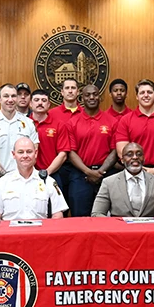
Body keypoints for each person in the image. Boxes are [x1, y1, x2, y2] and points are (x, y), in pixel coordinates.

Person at [0, 83, 40, 196]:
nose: (10, 100)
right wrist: (7, 178)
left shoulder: (28, 123)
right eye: (6, 96)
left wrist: (19, 178)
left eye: (13, 96)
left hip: (26, 180)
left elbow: (34, 153)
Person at [0, 137, 68, 220]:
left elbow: (57, 216)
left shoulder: (48, 182)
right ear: (13, 154)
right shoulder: (2, 183)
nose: (25, 155)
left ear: (35, 153)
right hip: (10, 233)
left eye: (29, 152)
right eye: (20, 152)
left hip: (39, 233)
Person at [67, 84, 119, 216]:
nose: (91, 97)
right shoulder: (72, 122)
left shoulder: (112, 121)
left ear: (100, 97)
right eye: (87, 95)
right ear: (82, 98)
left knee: (108, 219)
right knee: (79, 218)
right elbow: (71, 152)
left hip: (106, 174)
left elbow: (115, 150)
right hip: (80, 175)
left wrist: (101, 171)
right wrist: (88, 172)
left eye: (95, 94)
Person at [91, 142, 154, 218]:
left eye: (139, 154)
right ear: (122, 160)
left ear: (144, 159)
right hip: (120, 233)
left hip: (150, 232)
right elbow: (97, 213)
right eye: (129, 154)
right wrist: (114, 225)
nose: (135, 157)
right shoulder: (109, 182)